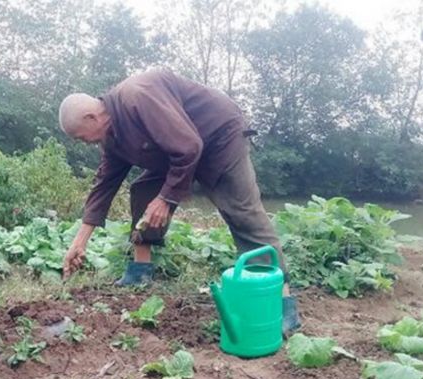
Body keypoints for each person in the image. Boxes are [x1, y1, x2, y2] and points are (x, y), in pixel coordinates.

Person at [58, 68, 300, 334]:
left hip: (219, 136)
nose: (84, 143)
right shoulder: (112, 135)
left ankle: (282, 301)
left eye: (82, 137)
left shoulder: (138, 97)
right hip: (181, 147)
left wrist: (166, 198)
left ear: (92, 117)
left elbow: (189, 147)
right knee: (143, 190)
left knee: (242, 211)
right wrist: (79, 242)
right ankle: (140, 271)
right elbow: (105, 184)